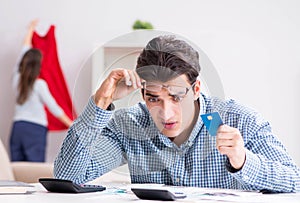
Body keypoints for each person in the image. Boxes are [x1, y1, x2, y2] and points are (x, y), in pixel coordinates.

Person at [54, 35, 300, 192]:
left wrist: (243, 160)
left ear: (196, 88)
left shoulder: (238, 120)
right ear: (142, 94)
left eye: (176, 97)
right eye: (154, 99)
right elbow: (68, 176)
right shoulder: (129, 125)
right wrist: (100, 102)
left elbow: (295, 182)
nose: (166, 113)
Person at [10, 20, 73, 162]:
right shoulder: (39, 84)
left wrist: (30, 29)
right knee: (34, 170)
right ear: (39, 66)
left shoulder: (16, 78)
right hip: (35, 130)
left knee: (16, 168)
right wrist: (71, 124)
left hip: (17, 128)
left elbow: (24, 50)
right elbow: (54, 108)